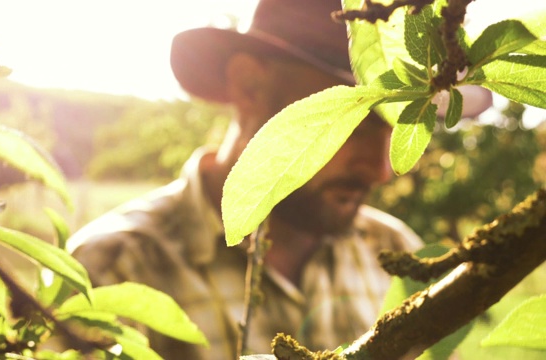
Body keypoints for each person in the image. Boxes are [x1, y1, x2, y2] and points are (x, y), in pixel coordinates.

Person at [68, 0, 425, 358]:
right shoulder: (114, 267)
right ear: (250, 86)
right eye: (355, 123)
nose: (380, 170)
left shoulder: (399, 253)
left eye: (398, 130)